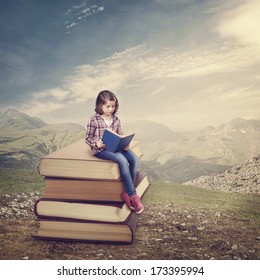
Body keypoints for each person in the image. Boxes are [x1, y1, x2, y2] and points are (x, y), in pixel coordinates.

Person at [85, 90, 144, 214]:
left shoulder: (116, 120)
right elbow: (88, 138)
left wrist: (125, 143)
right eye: (108, 106)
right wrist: (96, 143)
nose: (111, 109)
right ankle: (133, 195)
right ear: (100, 105)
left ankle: (127, 192)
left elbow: (120, 135)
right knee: (122, 160)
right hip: (101, 150)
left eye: (113, 106)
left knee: (134, 159)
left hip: (116, 147)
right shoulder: (94, 120)